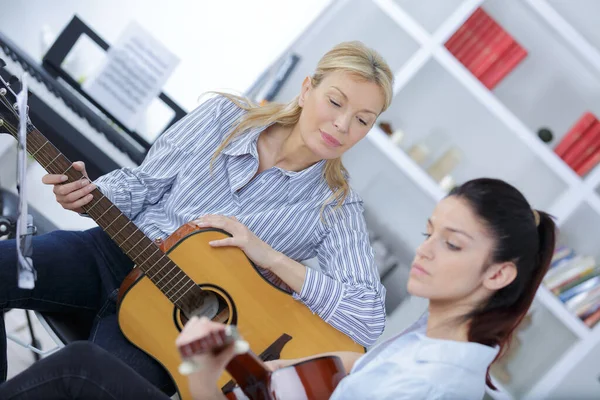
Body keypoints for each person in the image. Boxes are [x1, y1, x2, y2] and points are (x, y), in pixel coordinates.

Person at [0, 41, 394, 393]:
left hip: (176, 327)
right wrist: (90, 193)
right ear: (308, 89)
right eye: (336, 101)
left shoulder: (337, 208)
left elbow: (368, 319)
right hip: (115, 253)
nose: (342, 125)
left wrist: (269, 256)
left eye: (362, 119)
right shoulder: (223, 116)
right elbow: (143, 184)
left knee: (90, 384)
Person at [0, 177, 556, 399]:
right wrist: (215, 350)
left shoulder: (436, 381)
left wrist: (211, 356)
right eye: (428, 233)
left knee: (79, 370)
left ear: (498, 274)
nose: (426, 251)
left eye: (453, 244)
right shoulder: (425, 341)